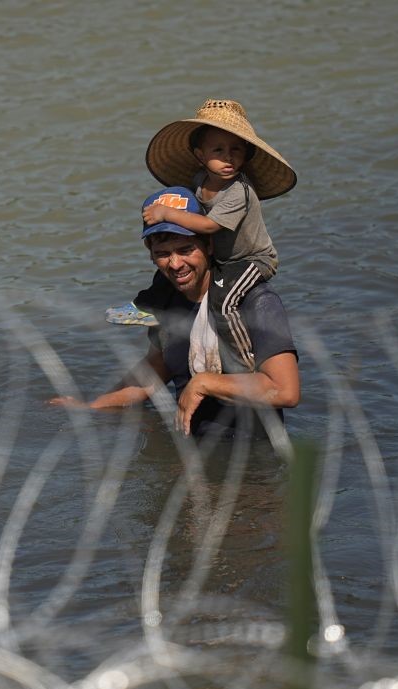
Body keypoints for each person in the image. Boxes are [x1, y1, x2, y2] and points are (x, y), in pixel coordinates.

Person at [52, 187, 299, 440]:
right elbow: (153, 372)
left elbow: (285, 391)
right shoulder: (167, 303)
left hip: (249, 457)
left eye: (185, 249)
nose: (175, 264)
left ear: (209, 245)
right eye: (163, 254)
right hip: (190, 451)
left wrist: (204, 383)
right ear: (150, 254)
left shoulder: (254, 301)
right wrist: (91, 407)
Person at [126, 99, 297, 374]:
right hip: (224, 258)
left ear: (247, 155)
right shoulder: (199, 182)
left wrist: (166, 213)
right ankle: (144, 305)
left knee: (225, 301)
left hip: (252, 260)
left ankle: (242, 361)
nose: (229, 158)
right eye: (218, 150)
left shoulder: (239, 191)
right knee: (164, 276)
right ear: (199, 155)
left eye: (236, 150)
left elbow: (207, 226)